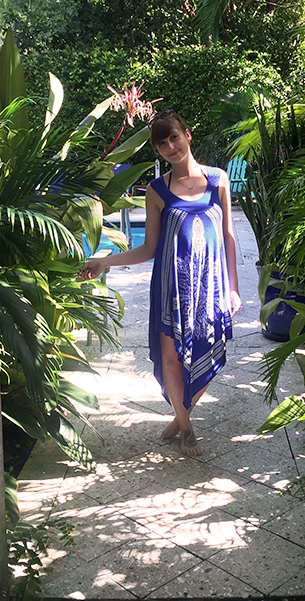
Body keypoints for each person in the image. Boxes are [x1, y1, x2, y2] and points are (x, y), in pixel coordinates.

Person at [79, 110, 242, 456]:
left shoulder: (218, 180)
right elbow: (149, 248)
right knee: (171, 358)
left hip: (210, 286)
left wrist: (233, 287)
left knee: (211, 351)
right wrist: (105, 261)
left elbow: (228, 235)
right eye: (162, 143)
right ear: (157, 150)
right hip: (171, 289)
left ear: (187, 135)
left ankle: (180, 417)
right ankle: (186, 429)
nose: (170, 146)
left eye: (174, 137)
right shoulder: (156, 190)